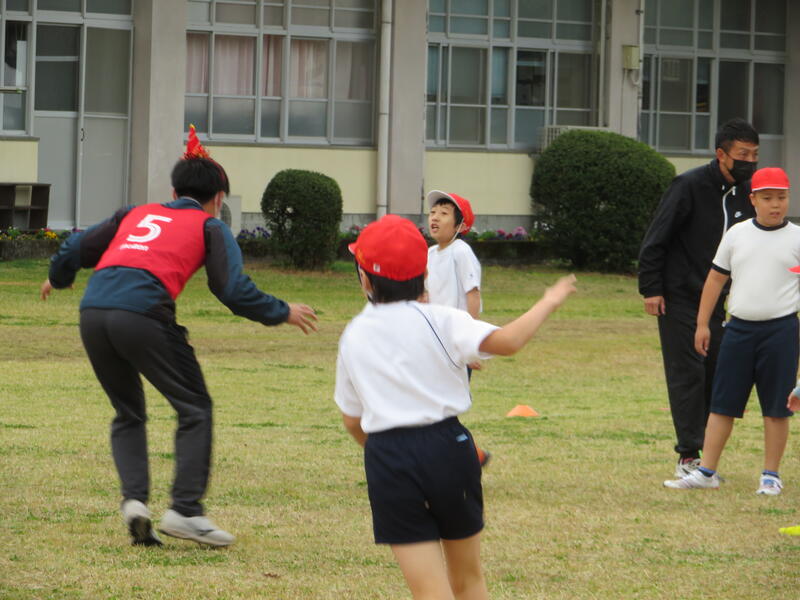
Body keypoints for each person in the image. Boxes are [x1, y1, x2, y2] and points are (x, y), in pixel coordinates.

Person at [40, 127, 317, 547]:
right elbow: (231, 290)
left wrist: (58, 279)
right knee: (194, 408)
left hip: (93, 312)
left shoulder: (134, 214)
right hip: (143, 314)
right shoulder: (211, 227)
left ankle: (135, 502)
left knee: (128, 412)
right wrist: (282, 311)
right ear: (219, 198)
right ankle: (185, 510)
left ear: (173, 191)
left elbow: (76, 247)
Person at [334, 214, 576, 599]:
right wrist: (549, 300)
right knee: (468, 580)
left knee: (429, 591)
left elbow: (352, 420)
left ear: (364, 278)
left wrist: (386, 454)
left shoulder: (354, 335)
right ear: (424, 274)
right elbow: (509, 342)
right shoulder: (443, 319)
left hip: (387, 455)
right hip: (448, 448)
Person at [664, 167, 798, 494]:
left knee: (777, 408)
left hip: (781, 332)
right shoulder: (737, 234)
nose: (775, 204)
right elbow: (715, 279)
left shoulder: (797, 237)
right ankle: (706, 472)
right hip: (738, 330)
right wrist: (701, 324)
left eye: (781, 197)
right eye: (767, 198)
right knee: (722, 404)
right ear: (753, 200)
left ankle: (771, 476)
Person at [638, 118, 759, 479]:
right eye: (742, 155)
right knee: (687, 373)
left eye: (754, 155)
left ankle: (707, 457)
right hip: (679, 296)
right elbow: (656, 238)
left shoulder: (749, 192)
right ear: (721, 154)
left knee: (717, 372)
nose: (749, 162)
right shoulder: (688, 186)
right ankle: (688, 455)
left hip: (722, 301)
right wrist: (651, 288)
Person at [426, 190, 490, 466]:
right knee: (432, 407)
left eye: (444, 213)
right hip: (433, 343)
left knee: (442, 410)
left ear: (460, 225)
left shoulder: (461, 252)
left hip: (455, 344)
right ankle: (465, 456)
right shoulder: (429, 254)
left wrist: (469, 343)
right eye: (432, 212)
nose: (435, 218)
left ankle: (470, 456)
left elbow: (472, 295)